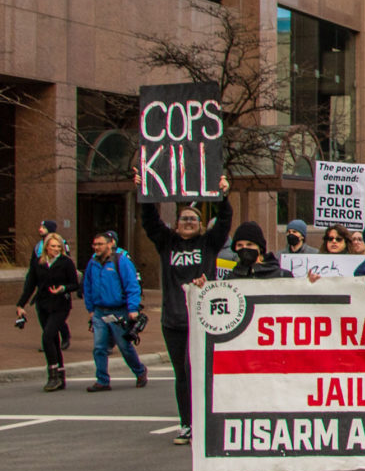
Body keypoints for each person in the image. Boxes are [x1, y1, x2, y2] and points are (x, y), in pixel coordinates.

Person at [135, 170, 232, 444]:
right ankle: (187, 423)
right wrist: (144, 193)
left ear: (201, 225)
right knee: (183, 374)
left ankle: (207, 420)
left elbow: (225, 221)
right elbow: (150, 222)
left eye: (193, 219)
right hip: (174, 321)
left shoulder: (209, 244)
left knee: (200, 372)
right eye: (184, 219)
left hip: (204, 320)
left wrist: (223, 194)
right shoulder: (167, 243)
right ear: (176, 224)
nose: (188, 222)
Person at [222, 221, 293, 471]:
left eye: (249, 246)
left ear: (261, 249)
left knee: (265, 417)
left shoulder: (281, 276)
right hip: (247, 363)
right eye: (239, 247)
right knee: (258, 418)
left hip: (276, 360)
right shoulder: (232, 278)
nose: (244, 251)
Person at [81, 231, 148, 392]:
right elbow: (87, 286)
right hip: (99, 312)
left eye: (100, 244)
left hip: (119, 311)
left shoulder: (121, 262)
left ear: (110, 244)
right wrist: (90, 309)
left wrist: (132, 308)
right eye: (95, 244)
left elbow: (132, 285)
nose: (96, 247)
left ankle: (139, 371)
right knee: (99, 347)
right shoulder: (92, 263)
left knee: (124, 346)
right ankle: (102, 380)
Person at [15, 232, 79, 391]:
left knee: (47, 336)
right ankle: (60, 375)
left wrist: (63, 288)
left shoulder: (66, 263)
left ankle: (52, 375)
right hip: (43, 305)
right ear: (46, 247)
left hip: (60, 305)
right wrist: (20, 305)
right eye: (53, 246)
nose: (56, 249)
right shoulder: (38, 263)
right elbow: (30, 285)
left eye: (58, 246)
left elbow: (74, 284)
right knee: (53, 340)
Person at [28, 220, 71, 350]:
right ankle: (49, 341)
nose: (40, 229)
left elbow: (65, 262)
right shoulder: (38, 246)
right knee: (46, 317)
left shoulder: (60, 243)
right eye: (40, 226)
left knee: (57, 316)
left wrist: (64, 287)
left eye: (43, 227)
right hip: (44, 288)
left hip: (58, 288)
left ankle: (64, 337)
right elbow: (33, 266)